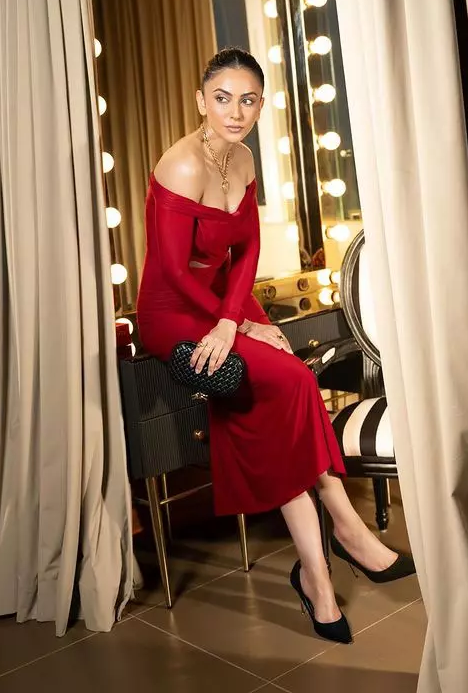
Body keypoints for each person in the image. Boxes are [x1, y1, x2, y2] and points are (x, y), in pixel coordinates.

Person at [137, 47, 415, 644]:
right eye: (222, 98)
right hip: (173, 311)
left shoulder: (242, 158)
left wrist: (240, 316)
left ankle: (318, 571)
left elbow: (246, 252)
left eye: (248, 100)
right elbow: (174, 271)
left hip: (224, 305)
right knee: (292, 380)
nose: (235, 112)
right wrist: (232, 325)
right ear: (200, 101)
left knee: (282, 389)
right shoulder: (179, 165)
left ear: (261, 105)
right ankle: (345, 532)